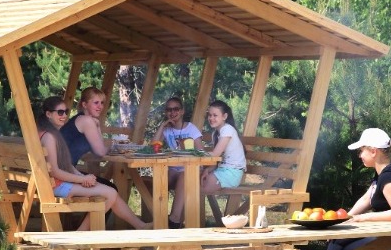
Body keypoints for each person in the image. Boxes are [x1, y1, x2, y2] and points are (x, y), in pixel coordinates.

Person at [36, 96, 149, 231]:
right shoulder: (49, 137)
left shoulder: (51, 133)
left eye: (66, 112)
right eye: (60, 112)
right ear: (48, 114)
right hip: (56, 186)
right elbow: (55, 171)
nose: (64, 116)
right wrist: (81, 179)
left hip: (55, 183)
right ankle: (80, 235)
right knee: (110, 193)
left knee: (109, 191)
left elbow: (66, 165)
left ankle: (140, 226)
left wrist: (82, 177)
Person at [167, 100, 246, 229]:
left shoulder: (227, 130)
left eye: (215, 115)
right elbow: (217, 159)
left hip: (231, 173)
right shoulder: (217, 133)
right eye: (209, 115)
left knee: (188, 186)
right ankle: (175, 221)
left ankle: (175, 221)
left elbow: (214, 155)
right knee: (184, 176)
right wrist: (207, 170)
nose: (211, 118)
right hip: (220, 171)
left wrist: (193, 154)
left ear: (224, 116)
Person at [151, 97, 203, 190]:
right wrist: (162, 126)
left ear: (182, 111)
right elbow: (153, 147)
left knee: (183, 178)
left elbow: (201, 152)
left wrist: (200, 169)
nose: (172, 112)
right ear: (166, 112)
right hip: (173, 169)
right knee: (157, 181)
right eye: (169, 110)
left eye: (176, 109)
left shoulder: (191, 128)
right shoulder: (166, 130)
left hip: (189, 167)